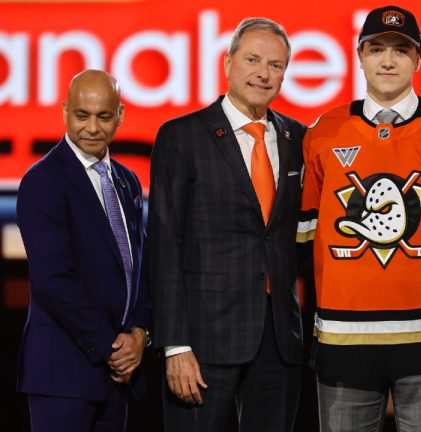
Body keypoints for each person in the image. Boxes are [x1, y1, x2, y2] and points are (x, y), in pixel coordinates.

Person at [297, 5, 421, 431]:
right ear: (360, 55)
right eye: (377, 49)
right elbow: (305, 240)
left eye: (401, 51)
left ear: (419, 60)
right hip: (343, 340)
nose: (388, 60)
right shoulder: (322, 132)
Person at [148, 17, 305, 431]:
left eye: (276, 65)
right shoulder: (182, 136)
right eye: (252, 59)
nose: (263, 73)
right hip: (203, 340)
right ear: (227, 62)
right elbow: (164, 245)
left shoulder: (298, 139)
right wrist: (175, 345)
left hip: (279, 340)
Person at [16, 70, 151, 432]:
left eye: (104, 116)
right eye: (82, 115)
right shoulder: (43, 181)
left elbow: (140, 269)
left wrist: (140, 334)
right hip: (64, 376)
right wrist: (113, 349)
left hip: (117, 377)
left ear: (120, 114)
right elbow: (53, 281)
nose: (92, 127)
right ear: (65, 111)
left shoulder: (128, 181)